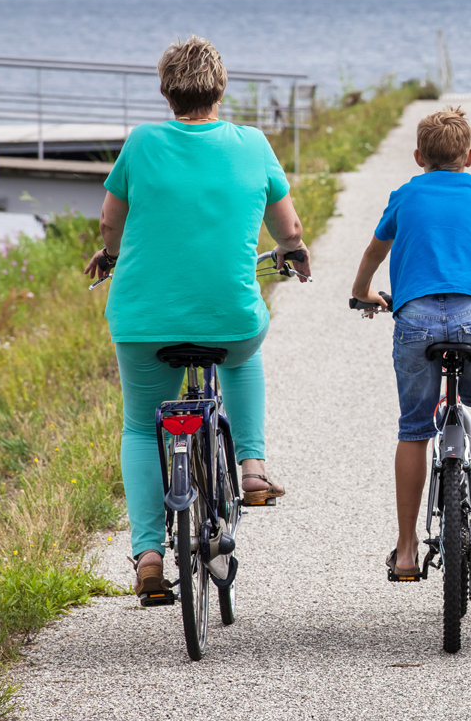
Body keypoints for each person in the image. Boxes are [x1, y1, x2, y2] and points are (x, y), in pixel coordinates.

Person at [84, 36, 311, 599]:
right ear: (221, 88)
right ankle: (252, 466)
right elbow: (291, 230)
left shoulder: (140, 143)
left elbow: (111, 222)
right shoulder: (253, 144)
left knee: (141, 426)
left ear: (166, 91)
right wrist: (291, 251)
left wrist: (109, 256)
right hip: (227, 316)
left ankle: (149, 557)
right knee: (243, 347)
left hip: (143, 320)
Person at [350, 106, 471, 579]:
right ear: (470, 156)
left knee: (414, 428)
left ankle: (404, 551)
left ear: (419, 156)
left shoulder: (405, 195)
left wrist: (363, 293)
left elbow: (374, 250)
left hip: (414, 317)